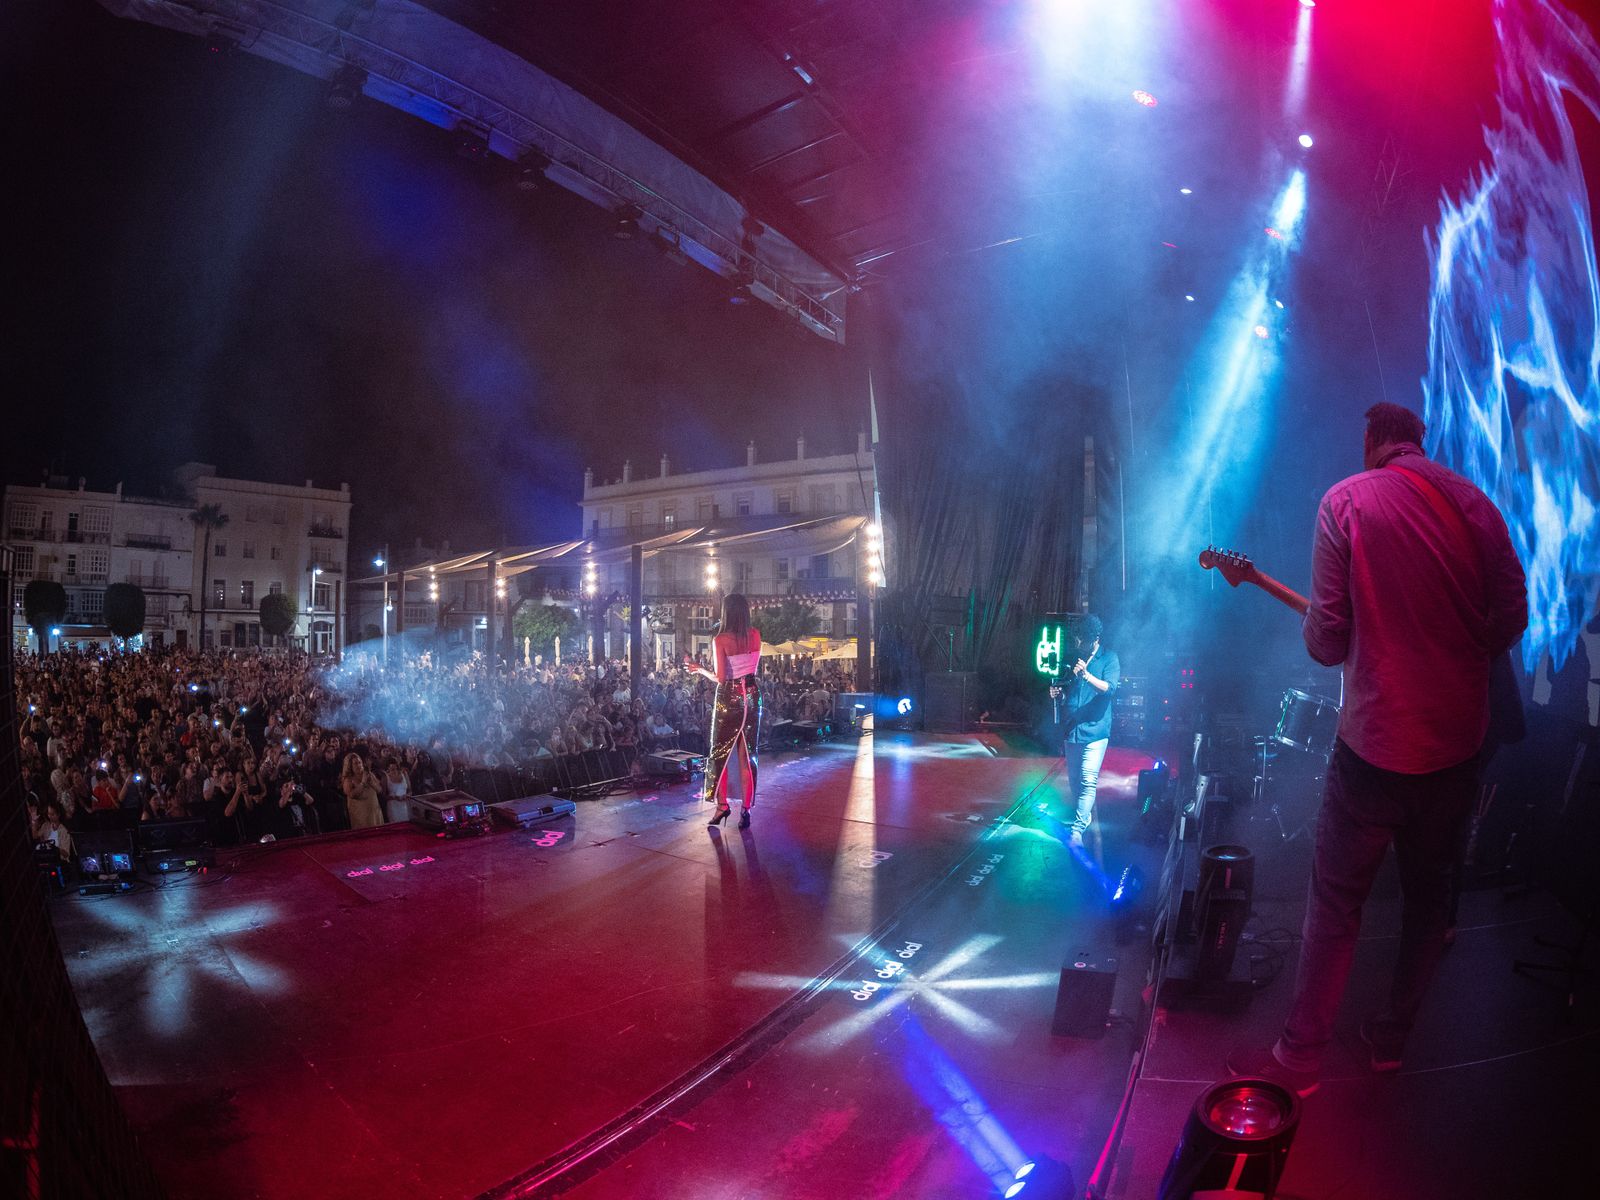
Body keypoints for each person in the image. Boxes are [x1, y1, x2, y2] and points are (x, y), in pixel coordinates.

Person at [1229, 402, 1527, 1097]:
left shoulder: (1346, 501)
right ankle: (1391, 1043)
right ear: (1418, 441)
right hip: (1457, 746)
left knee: (1336, 902)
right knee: (1429, 902)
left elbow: (1328, 642)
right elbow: (1513, 615)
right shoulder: (1476, 504)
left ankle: (1300, 1058)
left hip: (1376, 747)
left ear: (1372, 441)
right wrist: (1456, 656)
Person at [686, 592, 762, 829]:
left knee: (719, 753)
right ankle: (746, 809)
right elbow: (752, 669)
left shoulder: (721, 640)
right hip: (752, 694)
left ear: (726, 613)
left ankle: (722, 805)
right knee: (747, 755)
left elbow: (721, 678)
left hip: (729, 697)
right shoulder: (756, 635)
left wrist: (700, 670)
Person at [1047, 613, 1120, 848]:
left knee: (1088, 779)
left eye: (1082, 639)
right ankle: (1084, 815)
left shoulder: (1109, 658)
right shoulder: (1075, 657)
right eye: (1077, 639)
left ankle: (1077, 829)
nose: (1078, 644)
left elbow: (1108, 689)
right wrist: (1059, 693)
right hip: (1073, 729)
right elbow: (1070, 690)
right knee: (1076, 780)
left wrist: (1086, 675)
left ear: (1095, 638)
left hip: (1095, 730)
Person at [340, 752, 385, 829]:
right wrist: (363, 783)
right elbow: (352, 795)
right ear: (350, 766)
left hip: (374, 811)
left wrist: (372, 784)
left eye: (360, 762)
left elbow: (380, 790)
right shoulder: (348, 779)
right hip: (360, 815)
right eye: (355, 763)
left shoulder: (369, 774)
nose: (359, 765)